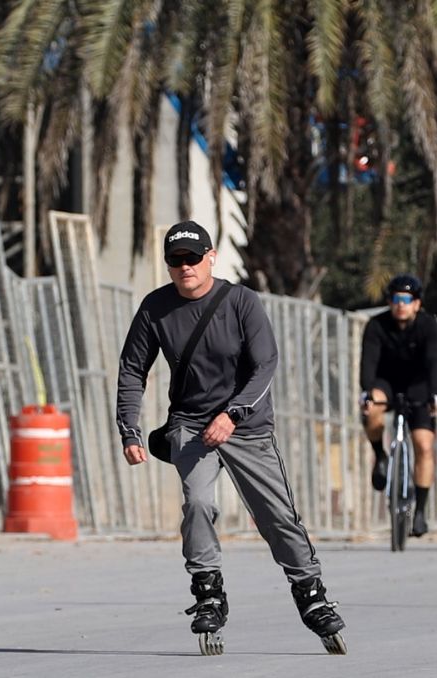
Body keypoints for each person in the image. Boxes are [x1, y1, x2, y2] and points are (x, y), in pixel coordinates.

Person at [115, 220, 346, 654]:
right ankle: (208, 592)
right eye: (175, 261)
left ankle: (310, 594)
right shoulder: (154, 309)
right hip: (190, 424)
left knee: (276, 515)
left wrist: (233, 414)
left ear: (211, 258)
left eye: (192, 258)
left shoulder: (241, 301)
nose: (185, 267)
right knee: (198, 502)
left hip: (247, 425)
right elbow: (132, 370)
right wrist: (129, 428)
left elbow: (266, 364)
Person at [359, 273, 437, 538]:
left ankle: (419, 512)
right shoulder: (376, 325)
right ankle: (381, 456)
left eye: (407, 299)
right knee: (372, 408)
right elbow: (368, 364)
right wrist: (366, 393)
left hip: (419, 386)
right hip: (386, 382)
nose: (401, 304)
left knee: (423, 444)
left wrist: (435, 396)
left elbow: (434, 363)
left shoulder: (429, 326)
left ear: (417, 303)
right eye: (396, 299)